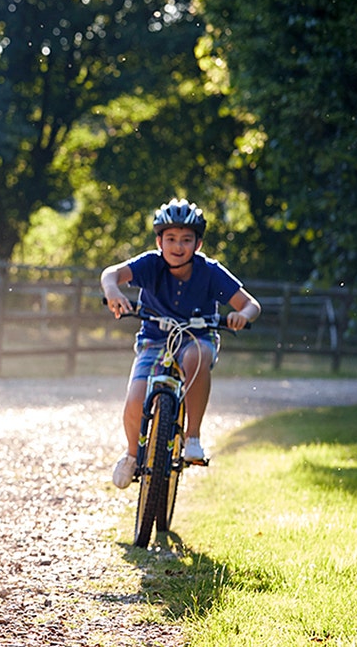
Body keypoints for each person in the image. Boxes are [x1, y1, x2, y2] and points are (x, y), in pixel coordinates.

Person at [101, 198, 260, 489]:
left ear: (198, 244)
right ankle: (132, 455)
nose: (178, 246)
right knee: (136, 398)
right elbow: (110, 274)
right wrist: (112, 291)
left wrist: (241, 315)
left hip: (197, 335)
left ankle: (193, 437)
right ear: (159, 241)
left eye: (186, 240)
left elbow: (251, 304)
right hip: (155, 337)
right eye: (171, 239)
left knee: (195, 357)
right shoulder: (150, 264)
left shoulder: (210, 271)